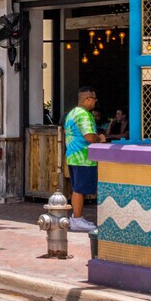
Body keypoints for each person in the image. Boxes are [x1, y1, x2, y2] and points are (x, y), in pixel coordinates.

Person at [64, 87, 103, 233]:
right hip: (84, 158)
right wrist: (101, 138)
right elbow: (89, 137)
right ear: (88, 99)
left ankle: (76, 218)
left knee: (77, 188)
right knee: (80, 189)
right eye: (94, 99)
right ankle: (77, 220)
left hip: (73, 156)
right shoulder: (84, 115)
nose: (95, 102)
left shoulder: (72, 113)